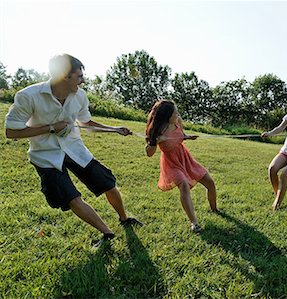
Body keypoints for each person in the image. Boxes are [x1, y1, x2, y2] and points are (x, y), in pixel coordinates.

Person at [4, 54, 142, 247]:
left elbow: (86, 122)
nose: (83, 80)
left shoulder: (80, 96)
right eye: (79, 76)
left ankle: (124, 218)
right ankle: (107, 233)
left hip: (75, 149)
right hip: (46, 155)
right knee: (71, 197)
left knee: (108, 183)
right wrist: (51, 128)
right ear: (63, 76)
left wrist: (114, 129)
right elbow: (11, 132)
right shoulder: (28, 96)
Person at [145, 100, 218, 233]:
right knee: (184, 185)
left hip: (185, 157)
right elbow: (149, 153)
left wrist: (187, 137)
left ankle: (215, 210)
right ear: (167, 116)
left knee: (210, 182)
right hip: (171, 163)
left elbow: (181, 136)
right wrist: (154, 142)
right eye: (175, 113)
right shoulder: (157, 130)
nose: (178, 114)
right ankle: (194, 224)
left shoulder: (178, 122)